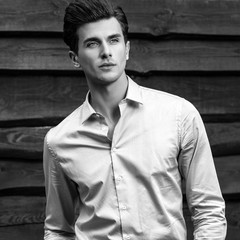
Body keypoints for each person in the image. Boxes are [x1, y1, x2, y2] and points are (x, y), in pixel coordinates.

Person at [43, 0, 227, 239]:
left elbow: (209, 210)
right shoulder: (59, 141)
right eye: (92, 43)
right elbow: (58, 229)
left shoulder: (179, 115)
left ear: (127, 49)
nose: (106, 52)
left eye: (113, 40)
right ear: (74, 57)